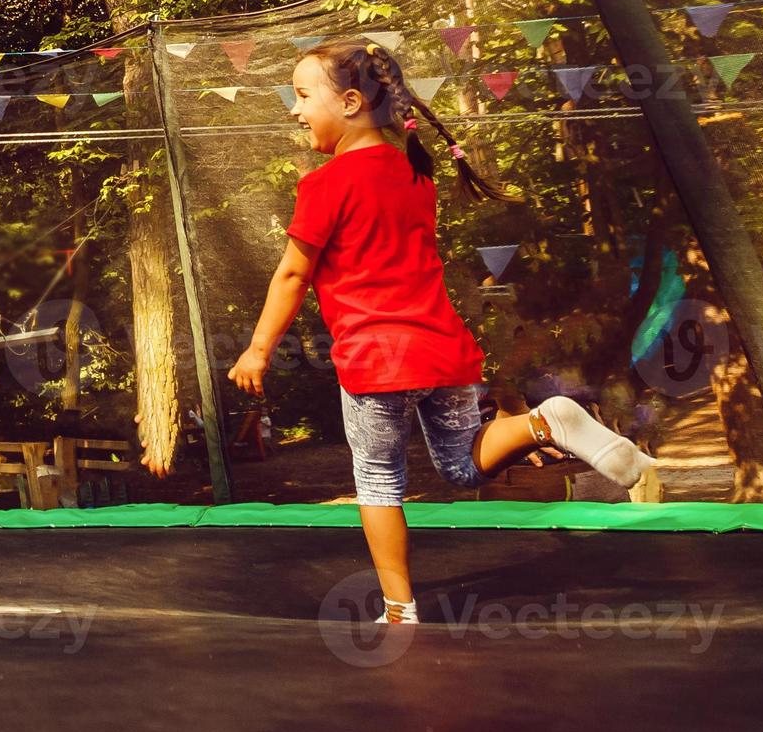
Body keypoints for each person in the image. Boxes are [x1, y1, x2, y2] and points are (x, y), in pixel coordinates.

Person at [228, 39, 652, 626]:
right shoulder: (416, 175)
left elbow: (294, 271)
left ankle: (399, 608)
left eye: (303, 96)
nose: (295, 110)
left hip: (377, 361)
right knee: (460, 464)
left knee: (378, 483)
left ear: (350, 102)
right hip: (442, 349)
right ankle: (542, 421)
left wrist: (257, 349)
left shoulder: (324, 185)